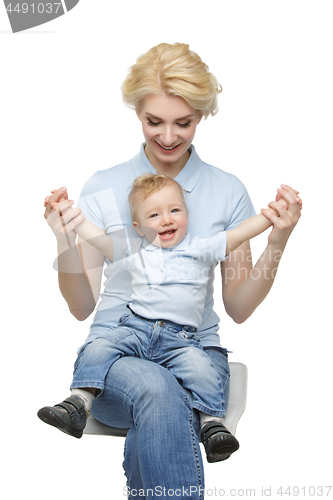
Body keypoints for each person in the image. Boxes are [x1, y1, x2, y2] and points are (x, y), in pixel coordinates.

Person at [41, 43, 301, 498]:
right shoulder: (103, 188)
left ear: (202, 115)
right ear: (136, 113)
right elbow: (81, 307)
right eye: (153, 121)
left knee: (168, 394)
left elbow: (238, 307)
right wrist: (64, 238)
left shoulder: (227, 191)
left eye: (183, 122)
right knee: (160, 389)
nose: (166, 137)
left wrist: (277, 240)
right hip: (118, 358)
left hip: (192, 353)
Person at [39, 172, 278, 462]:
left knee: (203, 371)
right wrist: (68, 214)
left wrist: (272, 215)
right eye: (154, 215)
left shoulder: (202, 248)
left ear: (187, 214)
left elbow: (242, 231)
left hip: (182, 340)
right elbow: (96, 237)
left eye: (175, 210)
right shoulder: (135, 250)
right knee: (100, 348)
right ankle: (78, 402)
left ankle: (212, 425)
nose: (166, 219)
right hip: (136, 329)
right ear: (139, 227)